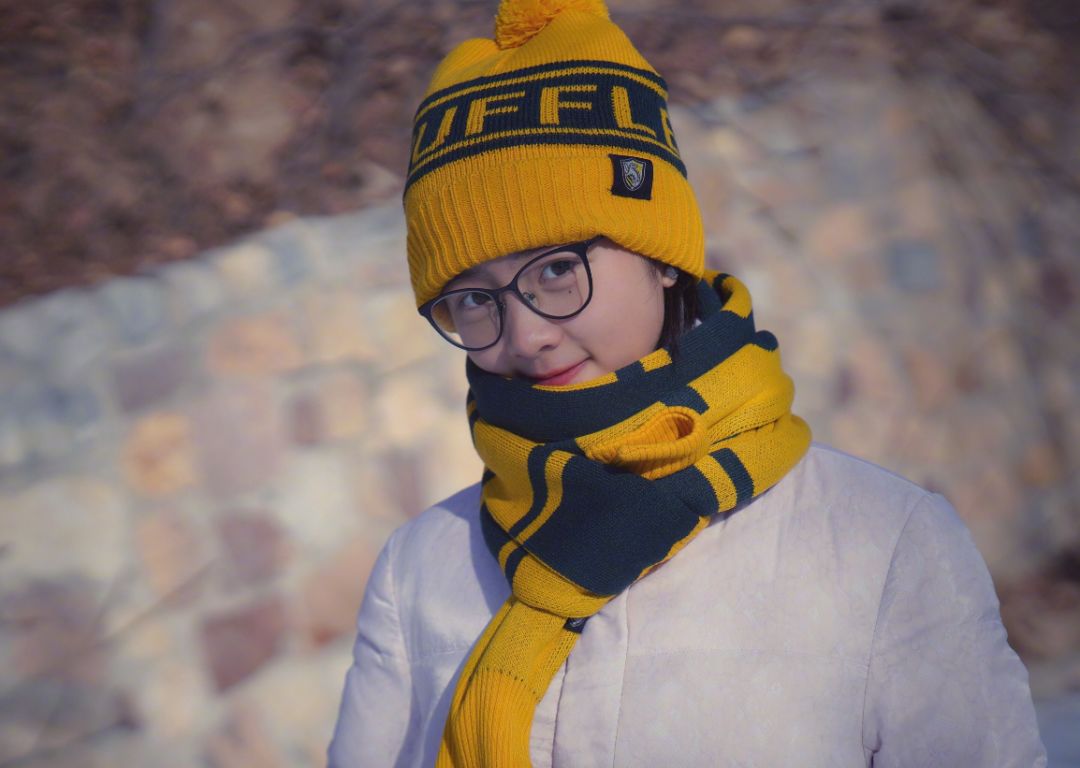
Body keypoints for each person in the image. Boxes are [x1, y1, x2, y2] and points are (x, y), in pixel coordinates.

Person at [329, 0, 1047, 765]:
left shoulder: (883, 543)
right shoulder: (419, 572)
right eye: (474, 299)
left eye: (558, 268)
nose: (527, 333)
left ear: (662, 256)